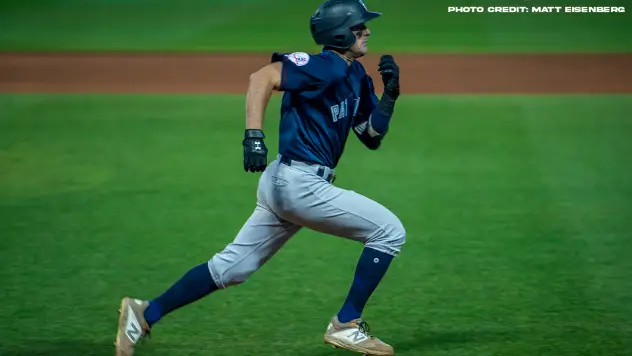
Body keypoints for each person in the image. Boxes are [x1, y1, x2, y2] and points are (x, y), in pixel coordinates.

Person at [115, 1, 404, 355]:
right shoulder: (321, 65)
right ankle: (345, 324)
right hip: (298, 184)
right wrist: (254, 135)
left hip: (289, 185)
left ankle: (144, 312)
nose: (368, 31)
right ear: (341, 32)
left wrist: (388, 97)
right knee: (388, 231)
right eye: (361, 26)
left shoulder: (356, 75)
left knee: (231, 268)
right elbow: (261, 78)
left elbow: (371, 135)